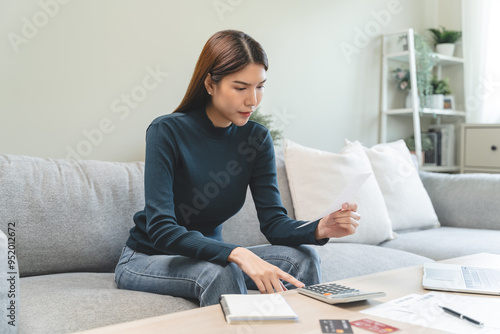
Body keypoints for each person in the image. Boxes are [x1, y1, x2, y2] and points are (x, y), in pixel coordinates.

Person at [114, 30, 360, 307]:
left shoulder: (256, 139)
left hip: (212, 255)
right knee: (220, 270)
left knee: (302, 257)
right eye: (240, 88)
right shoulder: (166, 131)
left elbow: (274, 224)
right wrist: (237, 253)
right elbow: (162, 230)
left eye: (260, 87)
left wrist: (319, 228)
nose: (252, 100)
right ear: (210, 83)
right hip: (148, 257)